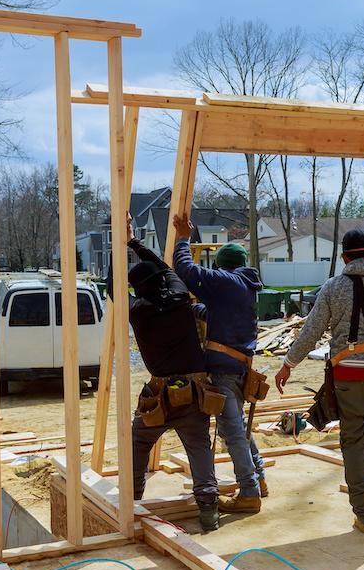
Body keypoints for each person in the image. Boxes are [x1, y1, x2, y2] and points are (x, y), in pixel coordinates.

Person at [275, 229, 364, 533]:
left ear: (344, 258)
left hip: (347, 376)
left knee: (352, 441)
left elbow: (311, 331)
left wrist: (288, 365)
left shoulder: (333, 287)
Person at [109, 213, 222, 532]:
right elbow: (161, 267)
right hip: (195, 392)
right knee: (199, 447)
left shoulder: (137, 312)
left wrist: (120, 242)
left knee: (137, 443)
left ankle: (132, 502)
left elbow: (113, 285)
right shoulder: (180, 298)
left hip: (159, 397)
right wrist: (134, 242)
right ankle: (209, 508)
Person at [170, 214, 268, 513]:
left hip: (224, 370)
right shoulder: (246, 288)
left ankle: (249, 494)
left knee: (232, 433)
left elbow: (185, 269)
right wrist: (192, 310)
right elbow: (218, 316)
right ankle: (259, 479)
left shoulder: (228, 281)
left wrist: (183, 238)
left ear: (222, 268)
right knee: (239, 429)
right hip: (239, 367)